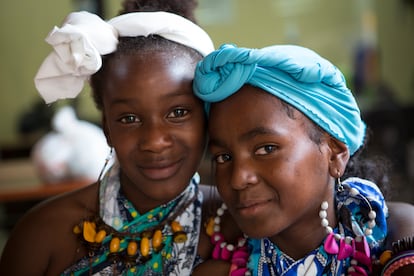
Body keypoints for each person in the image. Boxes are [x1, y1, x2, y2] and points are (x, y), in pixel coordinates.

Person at [0, 1, 217, 275]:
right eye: (129, 118)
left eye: (178, 112)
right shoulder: (42, 234)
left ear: (207, 117)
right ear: (106, 128)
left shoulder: (235, 222)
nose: (154, 141)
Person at [193, 44, 414, 275]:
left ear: (335, 153)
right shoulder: (219, 267)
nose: (238, 178)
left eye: (266, 148)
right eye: (223, 157)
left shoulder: (394, 241)